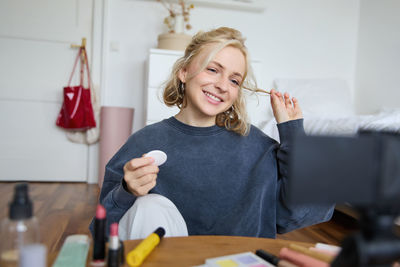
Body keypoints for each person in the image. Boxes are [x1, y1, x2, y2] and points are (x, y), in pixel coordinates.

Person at [90, 27, 333, 240]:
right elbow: (102, 227)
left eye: (235, 80)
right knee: (149, 206)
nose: (222, 85)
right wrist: (126, 191)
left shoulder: (259, 147)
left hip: (239, 259)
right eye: (213, 69)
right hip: (169, 258)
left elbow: (298, 214)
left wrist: (294, 138)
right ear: (184, 72)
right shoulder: (143, 142)